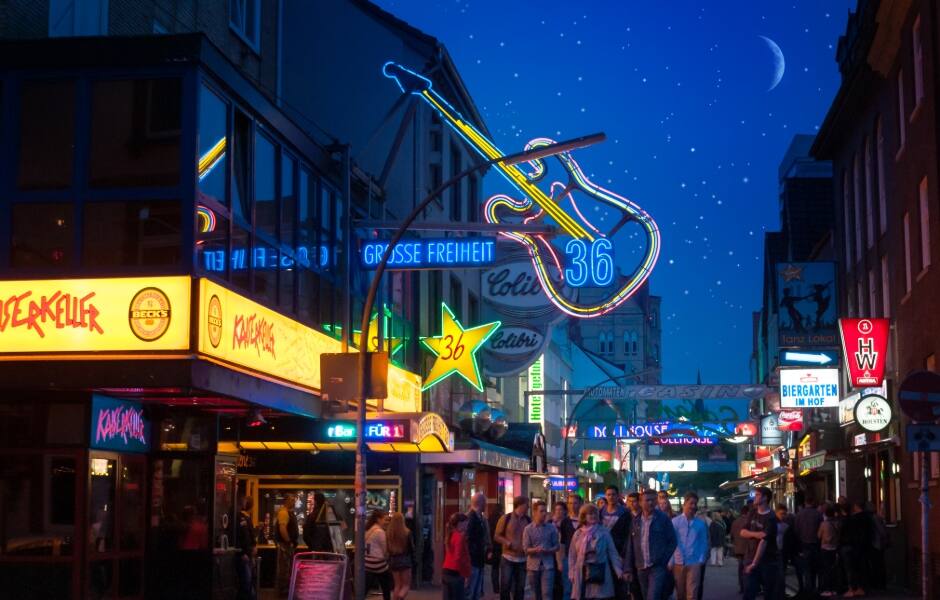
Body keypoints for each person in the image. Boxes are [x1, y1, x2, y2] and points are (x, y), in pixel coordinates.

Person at [624, 489, 678, 600]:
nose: (651, 503)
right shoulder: (636, 521)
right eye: (647, 500)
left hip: (657, 566)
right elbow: (631, 545)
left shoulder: (663, 519)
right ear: (641, 502)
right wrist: (628, 568)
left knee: (653, 596)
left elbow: (672, 541)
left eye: (653, 500)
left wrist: (663, 560)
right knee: (645, 595)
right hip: (641, 566)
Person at [568, 504, 622, 600]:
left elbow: (612, 552)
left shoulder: (604, 532)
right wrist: (571, 571)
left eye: (595, 514)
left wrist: (618, 570)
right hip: (582, 570)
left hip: (599, 569)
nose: (593, 516)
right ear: (584, 516)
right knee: (583, 595)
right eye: (590, 514)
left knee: (599, 596)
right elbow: (572, 554)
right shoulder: (578, 533)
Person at [740, 487, 780, 600]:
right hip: (749, 556)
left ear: (765, 498)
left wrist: (754, 564)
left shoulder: (771, 517)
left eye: (757, 495)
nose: (754, 497)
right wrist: (756, 534)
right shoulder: (752, 512)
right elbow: (742, 532)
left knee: (769, 593)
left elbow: (763, 543)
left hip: (767, 560)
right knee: (748, 592)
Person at [671, 492, 709, 600]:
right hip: (678, 563)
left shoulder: (700, 524)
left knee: (692, 593)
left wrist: (701, 559)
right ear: (684, 503)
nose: (693, 506)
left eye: (695, 504)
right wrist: (671, 560)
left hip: (694, 562)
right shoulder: (675, 522)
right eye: (691, 503)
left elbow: (703, 542)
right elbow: (671, 543)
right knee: (680, 593)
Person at [494, 496, 530, 600]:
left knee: (520, 587)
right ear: (520, 505)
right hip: (508, 558)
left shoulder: (528, 520)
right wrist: (507, 543)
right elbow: (496, 536)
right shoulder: (506, 518)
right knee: (505, 585)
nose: (528, 506)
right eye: (526, 504)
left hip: (522, 559)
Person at [523, 500, 560, 600]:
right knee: (535, 594)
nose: (544, 514)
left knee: (547, 594)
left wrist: (548, 550)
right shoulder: (528, 529)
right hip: (533, 566)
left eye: (545, 511)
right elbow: (526, 549)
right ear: (535, 512)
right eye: (541, 511)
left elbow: (557, 546)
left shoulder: (551, 528)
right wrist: (535, 549)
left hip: (548, 565)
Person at [601, 485, 632, 600]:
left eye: (613, 494)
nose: (611, 497)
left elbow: (628, 536)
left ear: (618, 496)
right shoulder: (600, 512)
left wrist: (624, 554)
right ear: (605, 496)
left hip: (619, 552)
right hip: (603, 553)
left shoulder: (625, 513)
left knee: (619, 582)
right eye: (608, 495)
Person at [841, 501, 873, 598]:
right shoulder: (868, 518)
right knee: (861, 567)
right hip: (863, 546)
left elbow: (847, 533)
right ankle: (860, 588)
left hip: (852, 546)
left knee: (851, 568)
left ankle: (851, 589)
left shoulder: (853, 519)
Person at [794, 499, 822, 596]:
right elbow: (820, 529)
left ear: (805, 503)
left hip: (803, 544)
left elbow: (796, 530)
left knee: (806, 568)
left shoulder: (799, 514)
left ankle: (807, 589)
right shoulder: (818, 514)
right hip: (815, 544)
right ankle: (814, 588)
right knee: (814, 568)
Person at [465, 493, 491, 600]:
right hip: (473, 559)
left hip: (478, 558)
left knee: (476, 590)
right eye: (485, 503)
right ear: (480, 503)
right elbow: (468, 539)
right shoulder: (472, 518)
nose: (486, 505)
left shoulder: (480, 517)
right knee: (471, 589)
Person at [364, 509, 393, 600]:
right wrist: (387, 557)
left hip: (367, 563)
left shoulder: (369, 529)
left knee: (365, 588)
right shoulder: (380, 532)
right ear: (378, 519)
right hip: (378, 564)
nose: (387, 522)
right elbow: (385, 550)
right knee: (386, 587)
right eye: (385, 519)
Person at [442, 512, 471, 600]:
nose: (467, 526)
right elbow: (458, 558)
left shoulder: (450, 535)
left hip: (446, 571)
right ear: (460, 523)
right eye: (466, 523)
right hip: (456, 573)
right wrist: (466, 574)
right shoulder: (459, 537)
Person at [275, 493, 299, 598]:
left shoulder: (289, 512)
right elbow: (282, 529)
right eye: (292, 500)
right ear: (286, 501)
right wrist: (289, 542)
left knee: (288, 570)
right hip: (285, 546)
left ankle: (287, 592)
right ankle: (283, 594)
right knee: (284, 570)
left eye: (294, 500)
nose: (294, 502)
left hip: (288, 545)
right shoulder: (284, 513)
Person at [551, 501, 575, 600]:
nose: (558, 512)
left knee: (565, 582)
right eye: (556, 509)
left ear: (565, 511)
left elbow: (564, 542)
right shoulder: (550, 523)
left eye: (561, 509)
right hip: (551, 554)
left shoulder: (567, 523)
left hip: (563, 555)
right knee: (554, 582)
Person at [387, 512, 413, 600]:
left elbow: (388, 548)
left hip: (393, 560)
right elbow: (411, 548)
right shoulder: (407, 532)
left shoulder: (389, 533)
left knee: (397, 585)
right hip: (404, 560)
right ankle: (401, 598)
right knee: (406, 585)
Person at [236, 496, 257, 600]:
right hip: (245, 554)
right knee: (247, 580)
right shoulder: (242, 518)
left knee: (247, 581)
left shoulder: (245, 518)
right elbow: (241, 536)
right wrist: (243, 552)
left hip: (247, 553)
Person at [817, 505, 840, 597]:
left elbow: (818, 535)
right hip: (835, 547)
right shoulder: (837, 523)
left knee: (826, 569)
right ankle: (834, 588)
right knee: (833, 568)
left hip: (825, 548)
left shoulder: (824, 524)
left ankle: (827, 589)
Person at [731, 505, 751, 594]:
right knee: (748, 568)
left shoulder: (735, 522)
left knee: (740, 568)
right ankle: (748, 586)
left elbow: (732, 535)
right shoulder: (750, 522)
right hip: (749, 549)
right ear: (747, 512)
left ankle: (742, 587)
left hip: (738, 549)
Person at [869, 503, 889, 590]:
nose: (883, 512)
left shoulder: (876, 518)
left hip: (877, 545)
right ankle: (880, 583)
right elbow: (882, 532)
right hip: (878, 544)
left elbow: (882, 531)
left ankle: (879, 584)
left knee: (878, 564)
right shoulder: (877, 519)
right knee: (879, 564)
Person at [489, 505, 505, 596]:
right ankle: (503, 587)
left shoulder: (489, 519)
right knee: (503, 568)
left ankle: (496, 588)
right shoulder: (502, 519)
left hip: (493, 547)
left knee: (494, 569)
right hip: (501, 547)